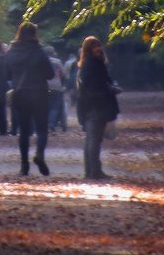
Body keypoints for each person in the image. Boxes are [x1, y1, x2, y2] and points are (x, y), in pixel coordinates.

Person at [4, 21, 55, 176]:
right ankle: (39, 153)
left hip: (20, 93)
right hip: (39, 93)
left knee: (24, 130)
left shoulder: (12, 51)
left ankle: (24, 165)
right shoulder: (39, 51)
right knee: (41, 128)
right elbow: (50, 74)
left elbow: (6, 73)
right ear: (34, 34)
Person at [75, 35, 119, 180]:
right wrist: (110, 90)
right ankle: (94, 171)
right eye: (94, 46)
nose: (98, 49)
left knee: (92, 139)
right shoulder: (92, 65)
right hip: (95, 106)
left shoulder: (92, 64)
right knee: (94, 139)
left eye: (99, 45)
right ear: (88, 50)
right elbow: (93, 87)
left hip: (92, 105)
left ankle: (91, 170)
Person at [44, 45, 67, 132]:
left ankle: (45, 123)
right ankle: (51, 123)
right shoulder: (58, 61)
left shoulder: (43, 61)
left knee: (46, 106)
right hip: (56, 86)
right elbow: (63, 74)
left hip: (45, 86)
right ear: (53, 53)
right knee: (54, 107)